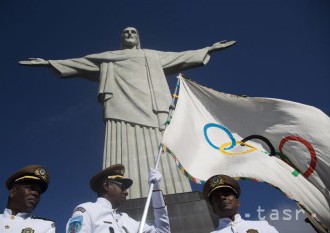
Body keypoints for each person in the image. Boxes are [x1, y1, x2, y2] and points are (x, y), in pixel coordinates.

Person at [19, 27, 236, 199]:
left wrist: (209, 49)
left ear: (138, 38)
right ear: (121, 38)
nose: (129, 34)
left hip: (155, 108)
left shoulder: (152, 56)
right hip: (120, 109)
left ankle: (173, 191)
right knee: (123, 145)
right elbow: (80, 63)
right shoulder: (109, 57)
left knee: (162, 145)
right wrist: (49, 63)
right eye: (125, 32)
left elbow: (181, 57)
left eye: (133, 32)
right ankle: (123, 193)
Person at [66, 164, 170, 233]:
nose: (126, 192)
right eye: (122, 187)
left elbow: (162, 231)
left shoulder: (126, 219)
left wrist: (156, 190)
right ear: (106, 185)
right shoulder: (86, 210)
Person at [203, 174, 279, 233]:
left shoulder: (263, 227)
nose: (222, 198)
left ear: (238, 202)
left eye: (227, 194)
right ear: (213, 208)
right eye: (216, 198)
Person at [0, 165, 56, 233]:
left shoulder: (45, 226)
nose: (36, 193)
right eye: (31, 188)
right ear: (12, 191)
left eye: (39, 192)